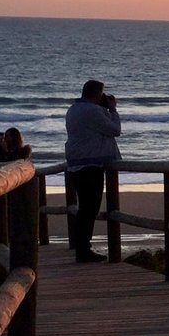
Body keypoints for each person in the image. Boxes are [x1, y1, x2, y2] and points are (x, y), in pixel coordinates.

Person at [64, 79, 121, 263]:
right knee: (90, 209)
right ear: (97, 94)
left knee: (84, 209)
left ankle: (82, 248)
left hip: (76, 164)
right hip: (90, 166)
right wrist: (112, 110)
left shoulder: (73, 109)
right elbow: (114, 130)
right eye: (102, 94)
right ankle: (84, 250)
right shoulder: (94, 111)